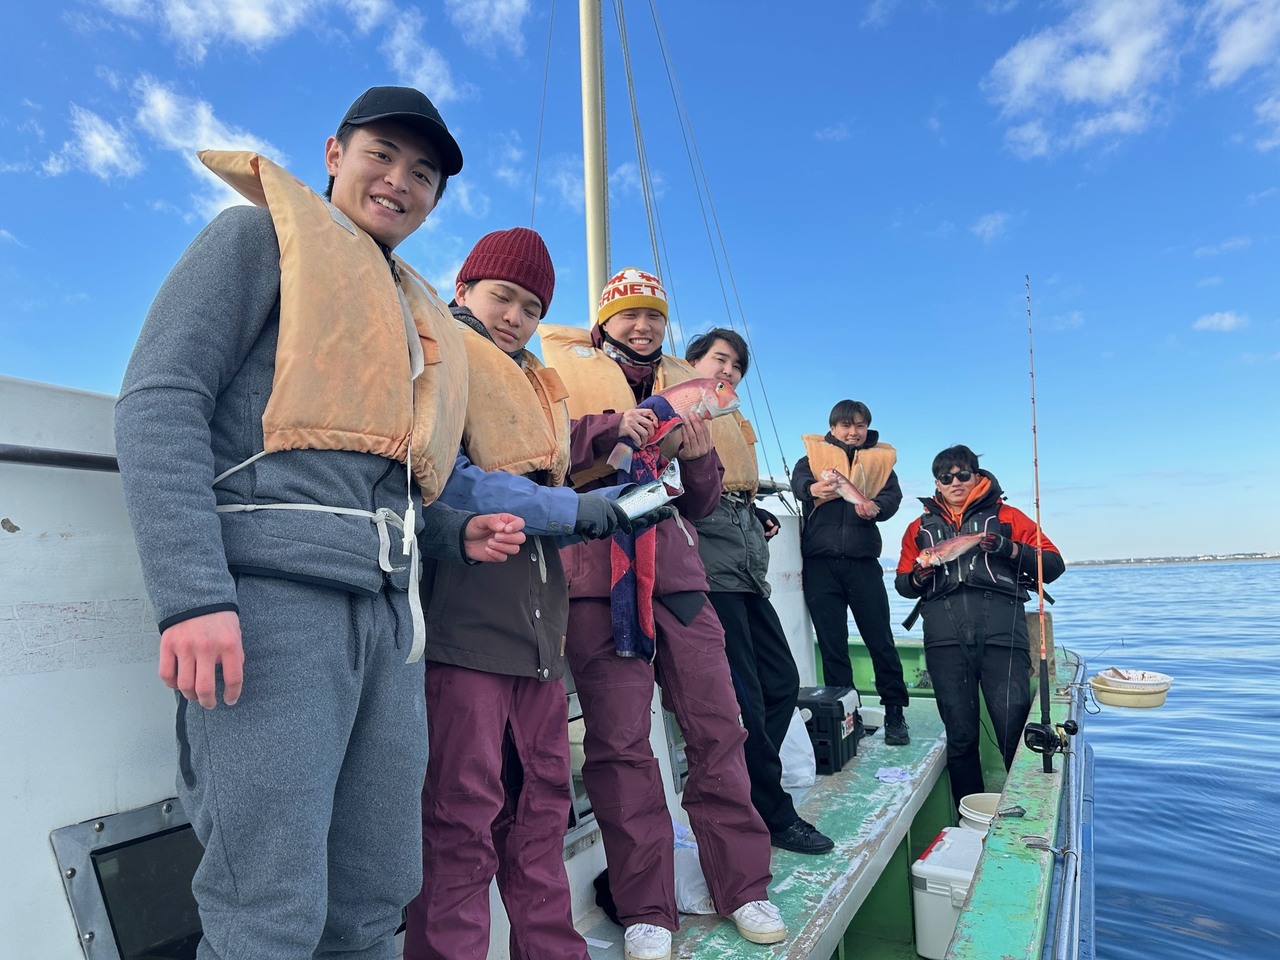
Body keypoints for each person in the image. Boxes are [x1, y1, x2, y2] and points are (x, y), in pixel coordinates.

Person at [113, 86, 527, 960]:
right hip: (272, 610)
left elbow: (377, 475)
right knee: (268, 904)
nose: (400, 180)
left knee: (377, 892)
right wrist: (192, 597)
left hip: (390, 623)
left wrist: (452, 534)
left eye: (424, 174)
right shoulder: (254, 239)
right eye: (382, 155)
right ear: (334, 155)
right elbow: (160, 399)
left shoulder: (411, 310)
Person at [404, 228, 647, 960]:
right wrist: (576, 509)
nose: (515, 317)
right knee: (458, 820)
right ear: (463, 290)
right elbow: (447, 480)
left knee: (542, 811)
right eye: (502, 297)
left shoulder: (532, 384)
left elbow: (542, 490)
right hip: (466, 639)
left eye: (532, 307)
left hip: (540, 645)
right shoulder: (441, 359)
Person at [541, 270, 785, 960]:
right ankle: (646, 906)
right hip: (597, 581)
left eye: (653, 315)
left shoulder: (687, 392)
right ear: (603, 322)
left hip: (677, 578)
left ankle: (744, 886)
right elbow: (541, 449)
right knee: (619, 746)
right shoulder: (559, 380)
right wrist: (609, 428)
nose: (643, 326)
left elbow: (700, 505)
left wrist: (701, 460)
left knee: (719, 729)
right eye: (629, 314)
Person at [683, 328, 833, 856]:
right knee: (745, 699)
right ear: (692, 363)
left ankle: (747, 784)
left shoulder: (727, 414)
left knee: (782, 681)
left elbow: (730, 488)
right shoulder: (683, 409)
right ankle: (772, 812)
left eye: (737, 366)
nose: (729, 371)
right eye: (720, 360)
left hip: (746, 573)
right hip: (710, 575)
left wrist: (758, 511)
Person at [894, 444, 1065, 807]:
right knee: (959, 736)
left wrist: (1009, 549)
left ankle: (1027, 809)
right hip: (944, 639)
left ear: (976, 476)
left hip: (1003, 635)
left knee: (1013, 731)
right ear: (936, 484)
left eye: (962, 475)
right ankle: (968, 815)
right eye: (946, 477)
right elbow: (903, 584)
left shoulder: (1008, 517)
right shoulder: (917, 529)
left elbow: (1053, 565)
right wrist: (918, 577)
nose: (954, 482)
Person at [791, 400, 911, 745]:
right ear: (832, 428)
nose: (852, 432)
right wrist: (812, 489)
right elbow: (800, 483)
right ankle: (846, 717)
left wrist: (878, 508)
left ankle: (895, 712)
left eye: (859, 425)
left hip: (863, 564)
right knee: (833, 646)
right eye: (845, 425)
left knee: (880, 641)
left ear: (867, 428)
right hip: (820, 566)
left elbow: (892, 497)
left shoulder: (879, 463)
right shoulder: (811, 458)